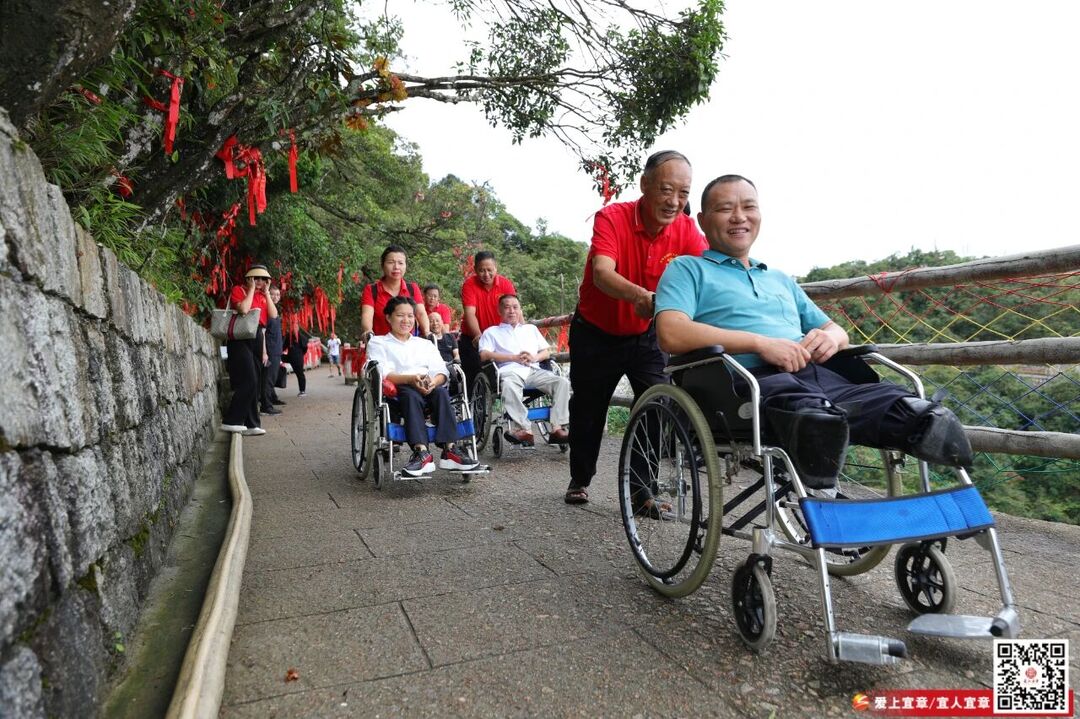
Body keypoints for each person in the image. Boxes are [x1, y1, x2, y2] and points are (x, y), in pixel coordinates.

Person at [654, 174, 973, 489]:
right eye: (725, 208)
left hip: (818, 379)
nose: (739, 217)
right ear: (702, 220)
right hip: (744, 385)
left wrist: (830, 338)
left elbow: (835, 330)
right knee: (811, 414)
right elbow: (671, 332)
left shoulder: (779, 279)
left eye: (749, 207)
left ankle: (930, 484)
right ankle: (823, 473)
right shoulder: (687, 269)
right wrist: (760, 344)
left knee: (910, 410)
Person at [564, 150, 707, 505]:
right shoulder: (612, 217)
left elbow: (708, 274)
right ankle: (580, 478)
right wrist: (639, 295)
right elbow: (602, 273)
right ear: (645, 184)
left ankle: (642, 491)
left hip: (646, 335)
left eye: (684, 194)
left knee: (657, 402)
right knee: (588, 409)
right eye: (666, 190)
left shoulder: (686, 229)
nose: (674, 202)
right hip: (595, 331)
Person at [365, 296, 480, 477]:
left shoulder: (424, 344)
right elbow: (384, 373)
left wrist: (434, 381)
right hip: (399, 387)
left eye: (410, 316)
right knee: (410, 395)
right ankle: (421, 452)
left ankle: (450, 449)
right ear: (388, 317)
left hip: (428, 384)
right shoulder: (379, 342)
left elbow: (441, 370)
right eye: (400, 315)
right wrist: (411, 379)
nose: (406, 320)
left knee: (441, 393)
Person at [479, 294, 570, 444]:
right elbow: (484, 355)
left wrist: (534, 358)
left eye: (515, 307)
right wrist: (513, 357)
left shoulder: (530, 329)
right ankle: (524, 429)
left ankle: (557, 428)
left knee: (562, 382)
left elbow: (546, 352)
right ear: (499, 311)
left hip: (533, 370)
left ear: (520, 310)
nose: (512, 311)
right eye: (507, 307)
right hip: (510, 371)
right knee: (509, 386)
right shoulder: (491, 332)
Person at [221, 265, 278, 436]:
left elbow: (273, 315)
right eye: (256, 278)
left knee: (256, 381)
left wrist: (266, 293)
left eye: (263, 279)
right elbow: (243, 309)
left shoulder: (263, 296)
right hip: (240, 338)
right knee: (248, 380)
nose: (260, 281)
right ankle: (231, 420)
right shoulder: (239, 290)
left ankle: (252, 424)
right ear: (249, 278)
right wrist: (251, 289)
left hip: (257, 337)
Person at [459, 250, 516, 390]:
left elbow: (514, 310)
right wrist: (478, 335)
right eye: (481, 270)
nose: (486, 274)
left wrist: (521, 332)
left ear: (496, 268)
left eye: (490, 270)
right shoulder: (469, 284)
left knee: (503, 376)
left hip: (499, 338)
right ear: (475, 270)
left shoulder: (505, 284)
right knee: (473, 379)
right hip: (473, 338)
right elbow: (470, 313)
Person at [360, 245, 429, 344]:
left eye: (400, 263)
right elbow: (367, 315)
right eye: (391, 262)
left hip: (407, 346)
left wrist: (427, 332)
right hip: (381, 346)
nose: (396, 267)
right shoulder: (371, 290)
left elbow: (421, 313)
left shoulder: (412, 288)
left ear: (405, 266)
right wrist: (368, 332)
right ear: (383, 265)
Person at [260, 285, 285, 414]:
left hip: (276, 350)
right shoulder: (265, 310)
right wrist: (264, 352)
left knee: (271, 378)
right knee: (268, 379)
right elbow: (263, 332)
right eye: (273, 294)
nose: (275, 297)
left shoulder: (273, 310)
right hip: (270, 351)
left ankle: (268, 402)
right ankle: (266, 406)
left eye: (278, 294)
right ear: (267, 294)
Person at [283, 326, 308, 397]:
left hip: (298, 358)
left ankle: (302, 391)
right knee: (277, 358)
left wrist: (300, 354)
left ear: (298, 329)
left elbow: (305, 348)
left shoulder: (301, 337)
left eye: (295, 328)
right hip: (290, 357)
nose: (293, 329)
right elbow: (284, 346)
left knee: (300, 374)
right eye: (292, 328)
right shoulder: (289, 336)